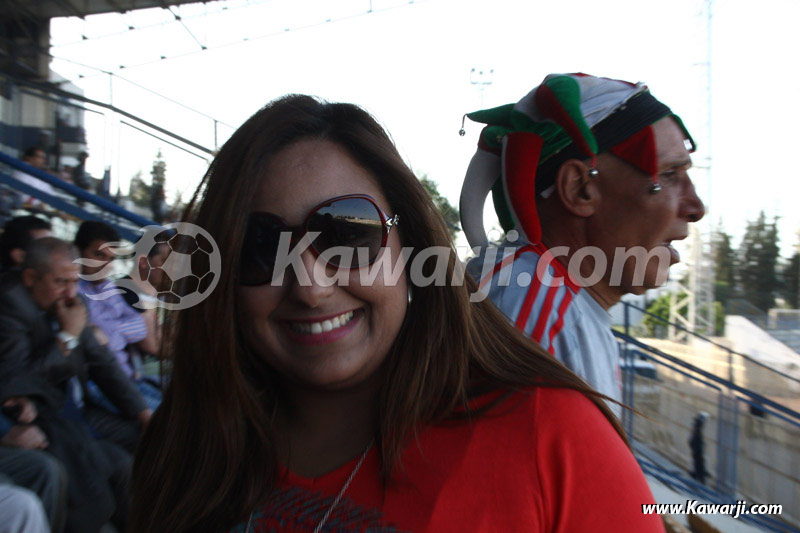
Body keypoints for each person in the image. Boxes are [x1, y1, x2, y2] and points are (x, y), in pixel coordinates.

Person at [131, 95, 664, 532]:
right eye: (260, 246)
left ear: (410, 247)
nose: (311, 287)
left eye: (348, 234)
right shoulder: (184, 450)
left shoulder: (552, 437)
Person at [461, 73, 706, 409]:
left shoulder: (557, 305)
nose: (696, 208)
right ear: (579, 189)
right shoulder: (534, 308)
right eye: (669, 175)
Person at [73, 221, 162, 411]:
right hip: (103, 385)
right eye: (98, 255)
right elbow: (102, 343)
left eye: (110, 259)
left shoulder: (107, 287)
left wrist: (108, 328)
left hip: (130, 378)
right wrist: (116, 331)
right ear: (77, 251)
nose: (105, 265)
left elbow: (138, 329)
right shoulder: (71, 290)